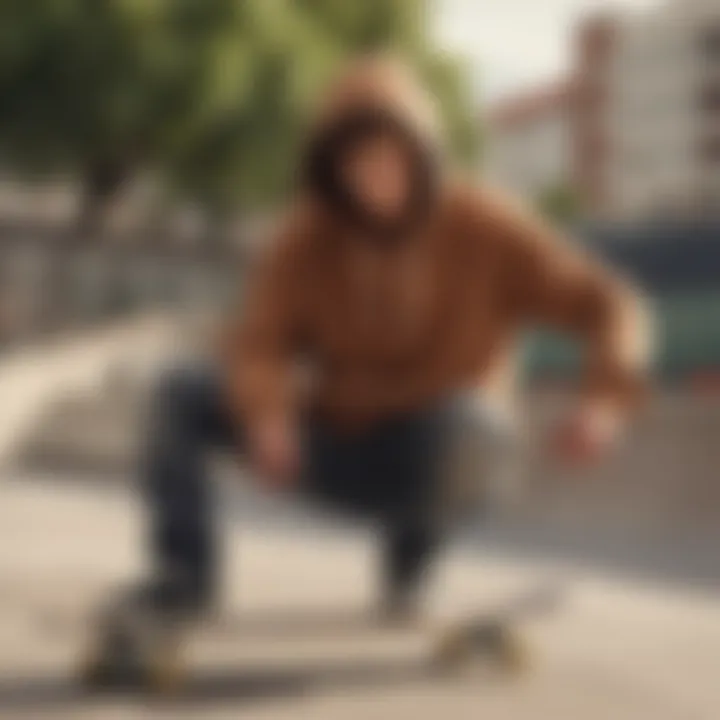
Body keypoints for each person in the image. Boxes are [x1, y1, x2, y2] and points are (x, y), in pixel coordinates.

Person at [90, 56, 652, 672]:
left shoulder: (486, 226)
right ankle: (184, 579)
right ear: (332, 171)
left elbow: (610, 303)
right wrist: (268, 411)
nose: (376, 179)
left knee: (470, 426)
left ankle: (412, 560)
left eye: (392, 159)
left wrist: (603, 402)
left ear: (423, 155)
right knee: (180, 391)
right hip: (336, 443)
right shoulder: (307, 239)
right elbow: (259, 340)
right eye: (357, 165)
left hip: (436, 446)